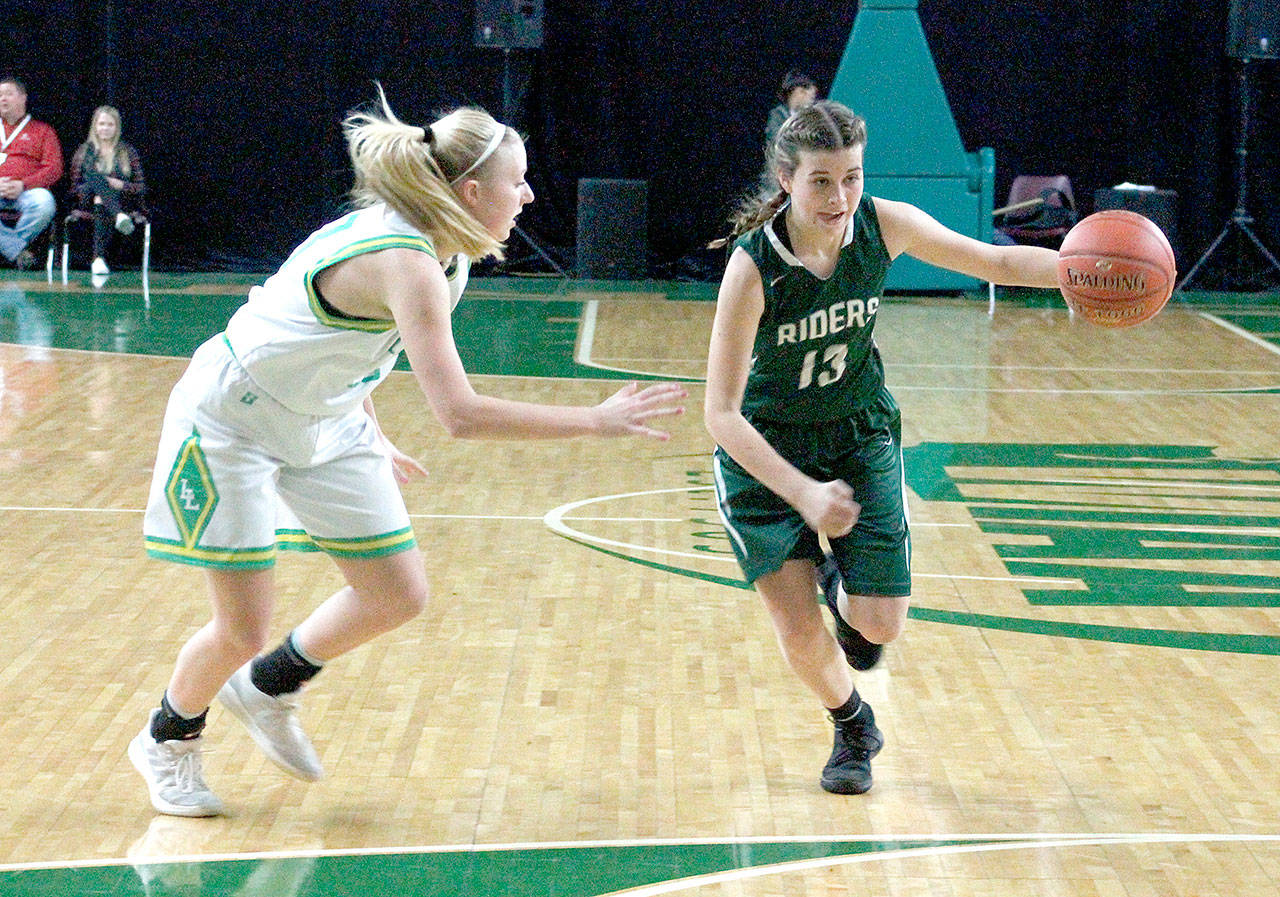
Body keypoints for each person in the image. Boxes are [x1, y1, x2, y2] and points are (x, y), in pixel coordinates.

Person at [128, 88, 688, 817]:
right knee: (241, 625)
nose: (526, 194)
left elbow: (329, 335)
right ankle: (167, 739)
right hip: (231, 418)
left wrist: (367, 423)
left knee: (396, 591)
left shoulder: (443, 251)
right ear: (471, 191)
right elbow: (459, 414)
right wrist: (594, 418)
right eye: (516, 182)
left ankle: (270, 685)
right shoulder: (407, 258)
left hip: (324, 416)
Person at [704, 100, 1060, 795]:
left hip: (857, 430)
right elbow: (720, 413)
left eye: (852, 177)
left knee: (880, 623)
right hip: (766, 447)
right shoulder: (752, 269)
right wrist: (802, 493)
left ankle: (849, 591)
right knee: (796, 622)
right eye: (821, 181)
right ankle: (853, 725)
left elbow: (991, 258)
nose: (840, 197)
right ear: (787, 177)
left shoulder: (882, 223)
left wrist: (1079, 272)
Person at [69, 105, 147, 276]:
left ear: (117, 127)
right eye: (101, 124)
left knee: (100, 198)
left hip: (122, 200)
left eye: (110, 125)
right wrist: (102, 183)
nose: (105, 128)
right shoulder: (85, 151)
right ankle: (118, 216)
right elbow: (75, 188)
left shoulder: (127, 151)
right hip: (87, 201)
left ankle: (98, 259)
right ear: (95, 126)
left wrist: (120, 185)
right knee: (93, 178)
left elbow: (140, 188)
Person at [0, 76, 62, 270]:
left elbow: (54, 169)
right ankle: (16, 252)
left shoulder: (43, 131)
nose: (3, 99)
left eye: (8, 94)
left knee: (45, 203)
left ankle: (6, 249)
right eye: (0, 95)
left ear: (23, 98)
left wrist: (23, 185)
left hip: (27, 191)